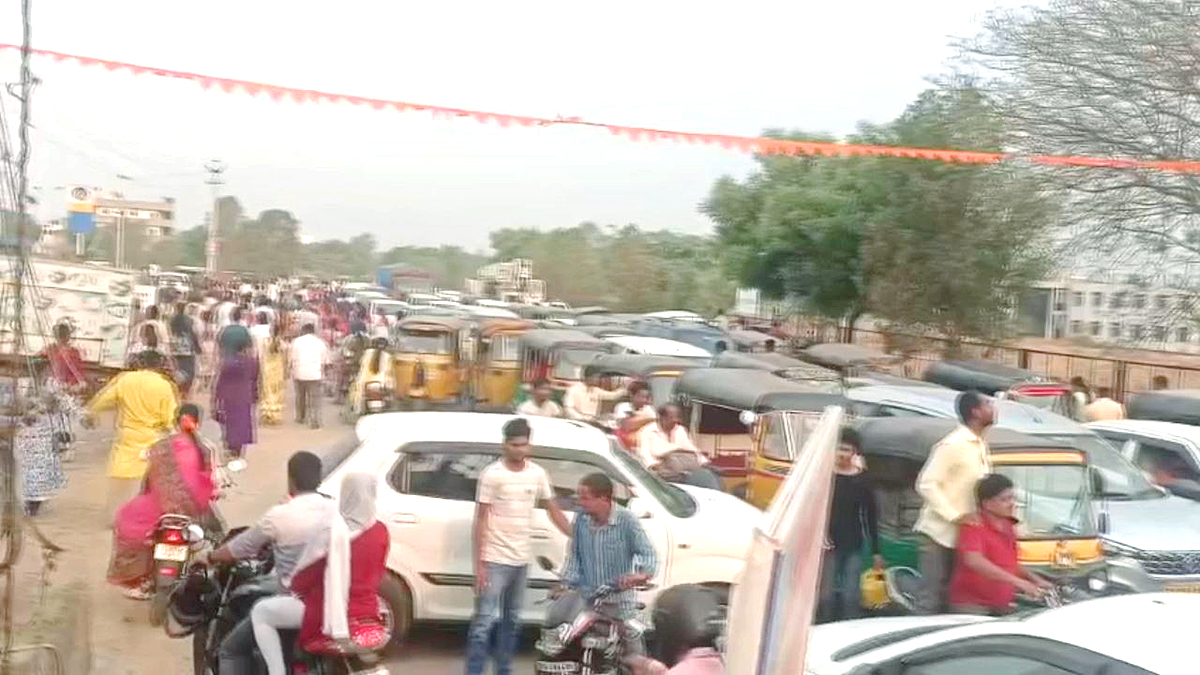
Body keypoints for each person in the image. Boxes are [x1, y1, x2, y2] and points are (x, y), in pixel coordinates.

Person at [199, 452, 336, 675]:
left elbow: (240, 548)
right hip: (334, 605)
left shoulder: (279, 516)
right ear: (319, 479)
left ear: (290, 479)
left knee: (230, 650)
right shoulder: (336, 511)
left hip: (295, 603)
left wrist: (210, 557)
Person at [466, 417, 571, 675]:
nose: (519, 450)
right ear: (504, 445)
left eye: (524, 445)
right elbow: (481, 519)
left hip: (520, 561)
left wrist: (577, 535)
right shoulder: (492, 475)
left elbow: (552, 509)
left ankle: (504, 670)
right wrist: (479, 565)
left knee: (511, 622)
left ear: (529, 445)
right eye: (514, 445)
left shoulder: (537, 474)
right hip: (494, 560)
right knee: (483, 622)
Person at [107, 404, 216, 599]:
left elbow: (150, 479)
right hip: (191, 510)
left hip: (160, 509)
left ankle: (139, 578)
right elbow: (210, 481)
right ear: (197, 424)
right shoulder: (205, 449)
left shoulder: (161, 446)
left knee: (127, 520)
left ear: (176, 422)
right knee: (215, 534)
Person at [284, 473, 390, 662]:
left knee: (290, 644)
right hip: (369, 610)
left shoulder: (334, 531)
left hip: (330, 614)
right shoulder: (381, 530)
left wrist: (293, 586)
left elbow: (309, 573)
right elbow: (379, 569)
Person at [561, 473, 658, 660]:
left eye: (585, 498)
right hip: (588, 600)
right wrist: (566, 584)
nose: (580, 503)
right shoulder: (581, 519)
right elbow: (575, 555)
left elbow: (648, 554)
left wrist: (640, 575)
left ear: (603, 498)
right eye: (578, 497)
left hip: (619, 602)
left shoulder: (626, 520)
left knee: (633, 650)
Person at [914, 390, 993, 615]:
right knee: (930, 599)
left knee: (957, 598)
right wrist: (956, 516)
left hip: (966, 537)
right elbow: (926, 484)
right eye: (988, 404)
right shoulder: (953, 444)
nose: (993, 408)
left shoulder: (980, 446)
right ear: (975, 412)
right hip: (939, 534)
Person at [86, 351, 179, 524]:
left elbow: (101, 401)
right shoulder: (164, 386)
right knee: (151, 482)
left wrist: (90, 414)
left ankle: (116, 518)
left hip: (127, 439)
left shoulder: (125, 380)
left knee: (120, 480)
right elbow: (170, 420)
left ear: (139, 363)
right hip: (153, 440)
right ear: (159, 365)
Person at [948, 473, 1052, 615]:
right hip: (973, 606)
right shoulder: (973, 525)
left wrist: (1035, 580)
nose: (1011, 503)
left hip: (1001, 604)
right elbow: (974, 561)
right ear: (987, 504)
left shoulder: (1008, 525)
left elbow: (1010, 562)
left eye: (1012, 498)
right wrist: (1019, 582)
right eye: (1004, 499)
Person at [817, 428, 882, 623]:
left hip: (854, 544)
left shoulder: (862, 480)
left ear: (855, 452)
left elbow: (870, 516)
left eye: (846, 449)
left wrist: (876, 552)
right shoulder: (825, 477)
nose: (842, 454)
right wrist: (819, 535)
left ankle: (849, 628)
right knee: (825, 596)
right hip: (829, 545)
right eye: (838, 448)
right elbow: (816, 509)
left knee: (850, 596)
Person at [18, 387, 81, 516]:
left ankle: (32, 505)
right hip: (28, 443)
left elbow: (72, 410)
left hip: (44, 443)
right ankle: (30, 503)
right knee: (31, 474)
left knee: (38, 475)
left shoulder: (53, 389)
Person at [635, 404, 719, 489]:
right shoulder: (647, 432)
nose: (675, 420)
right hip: (662, 471)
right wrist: (655, 466)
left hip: (682, 467)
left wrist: (704, 462)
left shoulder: (680, 430)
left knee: (707, 476)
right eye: (671, 417)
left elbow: (690, 448)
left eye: (677, 417)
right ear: (661, 417)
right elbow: (644, 454)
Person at [213, 342, 259, 459]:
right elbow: (255, 379)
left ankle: (230, 447)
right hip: (244, 396)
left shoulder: (227, 363)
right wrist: (255, 395)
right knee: (242, 424)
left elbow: (219, 382)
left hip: (228, 396)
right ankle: (238, 451)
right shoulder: (251, 362)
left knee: (229, 423)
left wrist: (215, 399)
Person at [291, 323, 328, 429]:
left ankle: (300, 417)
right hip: (315, 374)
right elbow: (324, 360)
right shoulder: (320, 343)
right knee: (314, 399)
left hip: (299, 373)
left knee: (300, 397)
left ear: (303, 331)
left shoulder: (296, 342)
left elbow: (293, 358)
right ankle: (314, 421)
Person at [349, 337, 394, 415]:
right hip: (382, 385)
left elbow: (360, 365)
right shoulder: (388, 357)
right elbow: (390, 374)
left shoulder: (367, 353)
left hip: (365, 383)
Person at [42, 322, 87, 392]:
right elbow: (79, 371)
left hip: (56, 384)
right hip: (66, 384)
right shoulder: (74, 352)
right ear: (68, 336)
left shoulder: (51, 348)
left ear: (55, 336)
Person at [258, 323, 287, 426]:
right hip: (278, 370)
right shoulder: (282, 343)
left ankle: (266, 415)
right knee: (277, 393)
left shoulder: (265, 342)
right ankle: (275, 416)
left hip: (267, 369)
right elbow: (285, 358)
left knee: (267, 392)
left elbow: (262, 355)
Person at [169, 311, 202, 398]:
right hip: (188, 360)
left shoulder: (172, 336)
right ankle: (185, 396)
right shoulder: (189, 336)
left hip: (176, 360)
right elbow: (198, 348)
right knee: (189, 378)